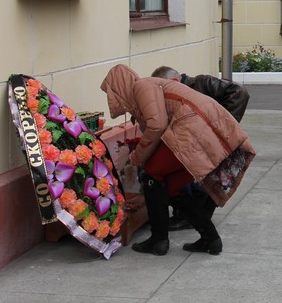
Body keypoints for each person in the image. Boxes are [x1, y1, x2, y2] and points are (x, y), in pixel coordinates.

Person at [100, 64, 256, 256]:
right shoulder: (146, 87)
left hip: (192, 129)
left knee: (152, 171)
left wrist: (136, 158)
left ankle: (158, 240)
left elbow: (157, 126)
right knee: (173, 187)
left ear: (119, 87)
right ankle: (211, 239)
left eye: (111, 92)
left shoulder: (141, 86)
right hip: (199, 130)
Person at [150, 66, 250, 231]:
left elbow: (240, 92)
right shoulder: (183, 92)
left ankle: (194, 218)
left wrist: (222, 127)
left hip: (214, 143)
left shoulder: (201, 82)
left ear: (175, 82)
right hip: (200, 144)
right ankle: (197, 219)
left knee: (204, 176)